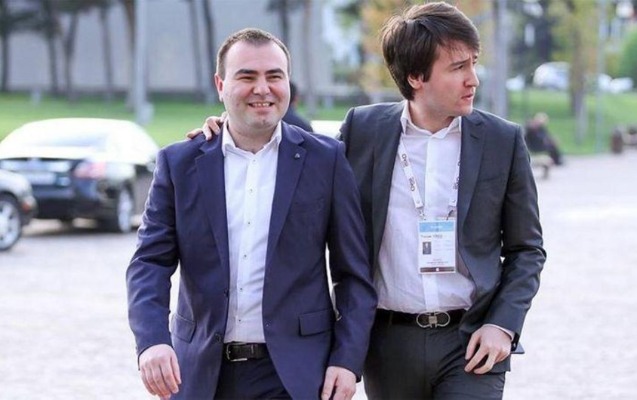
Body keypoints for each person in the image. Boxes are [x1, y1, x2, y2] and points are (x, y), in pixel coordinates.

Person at [192, 3, 546, 399]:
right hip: (386, 344)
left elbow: (527, 249)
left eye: (473, 64)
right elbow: (297, 155)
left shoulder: (502, 141)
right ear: (416, 77)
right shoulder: (363, 130)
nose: (473, 79)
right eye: (458, 67)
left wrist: (503, 324)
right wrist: (227, 127)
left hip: (471, 342)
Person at [126, 28, 377, 400]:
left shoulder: (326, 161)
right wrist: (152, 340)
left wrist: (346, 360)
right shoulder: (179, 163)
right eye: (247, 77)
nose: (263, 88)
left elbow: (354, 274)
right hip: (199, 374)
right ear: (220, 84)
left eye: (274, 76)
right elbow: (149, 262)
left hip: (296, 377)